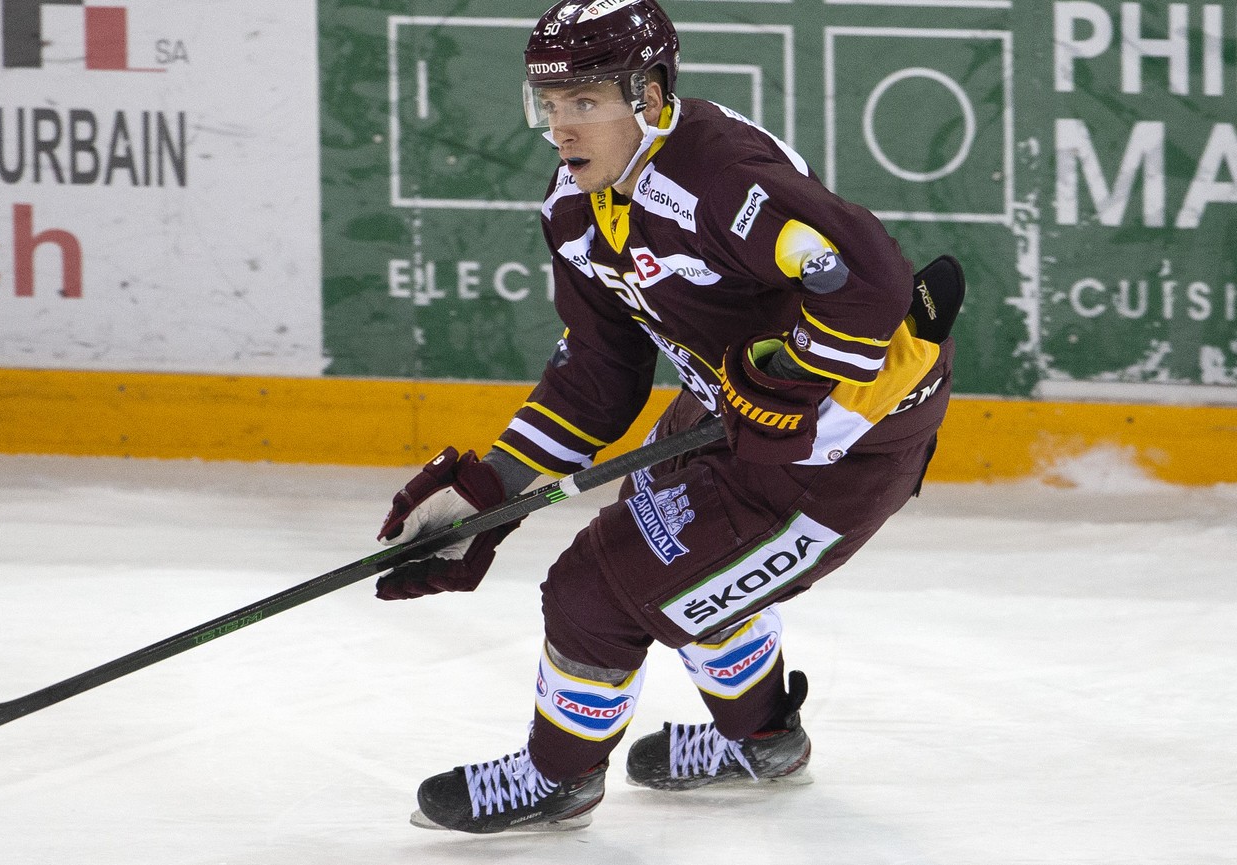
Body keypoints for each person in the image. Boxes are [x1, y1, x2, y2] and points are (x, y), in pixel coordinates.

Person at [374, 0, 956, 834]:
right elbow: (599, 381)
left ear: (648, 96)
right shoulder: (576, 213)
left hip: (836, 451)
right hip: (727, 416)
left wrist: (784, 379)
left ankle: (556, 778)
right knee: (664, 552)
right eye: (550, 105)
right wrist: (487, 492)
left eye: (584, 103)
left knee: (597, 588)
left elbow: (868, 279)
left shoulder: (719, 179)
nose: (562, 128)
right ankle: (763, 740)